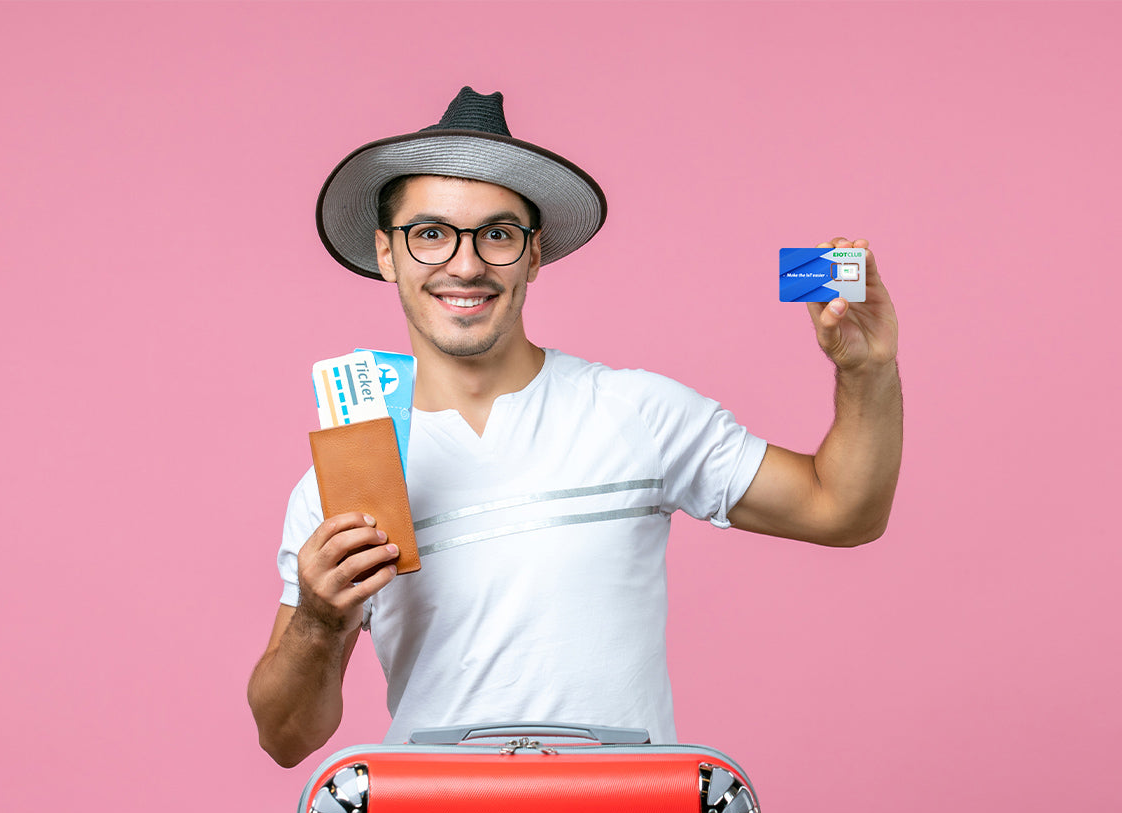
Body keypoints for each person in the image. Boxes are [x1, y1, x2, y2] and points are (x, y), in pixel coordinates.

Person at [248, 88, 902, 768]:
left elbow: (844, 511)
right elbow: (286, 737)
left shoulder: (638, 413)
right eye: (431, 233)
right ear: (387, 254)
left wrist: (867, 372)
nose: (466, 265)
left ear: (534, 256)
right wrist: (321, 619)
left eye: (497, 234)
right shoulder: (345, 477)